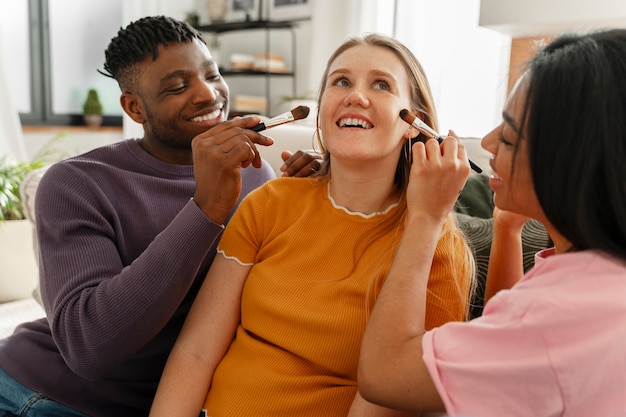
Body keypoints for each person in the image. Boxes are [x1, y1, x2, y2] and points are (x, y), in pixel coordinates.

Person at [0, 15, 319, 417]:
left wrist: (306, 202)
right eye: (177, 86)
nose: (208, 95)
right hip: (48, 393)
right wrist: (205, 209)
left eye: (212, 74)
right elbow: (89, 348)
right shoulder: (74, 184)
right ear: (134, 107)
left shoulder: (256, 173)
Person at [148, 33, 475, 417]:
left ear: (413, 123)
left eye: (381, 84)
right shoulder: (269, 203)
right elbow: (196, 351)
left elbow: (391, 396)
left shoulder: (434, 247)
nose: (355, 96)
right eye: (341, 81)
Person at [358, 28, 626, 417]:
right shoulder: (594, 274)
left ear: (573, 167)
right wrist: (506, 229)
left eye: (511, 138)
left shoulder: (557, 317)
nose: (486, 142)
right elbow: (505, 334)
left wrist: (425, 218)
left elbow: (383, 375)